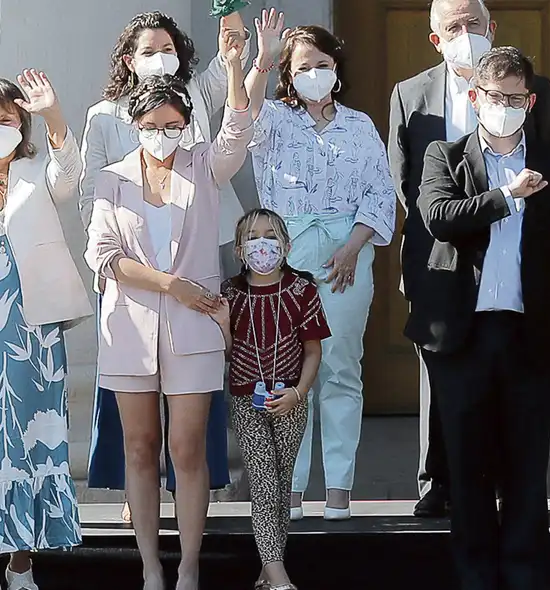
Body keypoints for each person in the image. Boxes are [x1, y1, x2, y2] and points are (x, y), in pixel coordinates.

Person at [416, 46, 550, 590]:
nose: (505, 106)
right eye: (495, 97)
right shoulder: (443, 157)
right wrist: (505, 196)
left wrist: (540, 276)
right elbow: (439, 218)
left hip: (529, 334)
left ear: (530, 100)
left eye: (515, 98)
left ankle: (523, 574)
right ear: (476, 99)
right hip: (462, 339)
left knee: (525, 467)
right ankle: (475, 575)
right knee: (468, 469)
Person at [84, 28, 255, 590]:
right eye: (152, 127)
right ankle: (151, 566)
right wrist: (173, 285)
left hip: (194, 330)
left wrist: (234, 67)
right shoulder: (111, 179)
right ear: (135, 127)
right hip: (130, 329)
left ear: (186, 126)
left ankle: (188, 565)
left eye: (173, 127)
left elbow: (237, 130)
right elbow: (105, 256)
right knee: (139, 447)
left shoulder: (203, 166)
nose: (162, 136)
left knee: (186, 447)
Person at [388, 0, 550, 518]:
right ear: (436, 38)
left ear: (492, 27)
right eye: (453, 27)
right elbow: (405, 179)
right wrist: (449, 229)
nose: (466, 34)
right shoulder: (410, 94)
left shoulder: (534, 90)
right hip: (438, 257)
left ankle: (507, 482)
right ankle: (436, 479)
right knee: (442, 377)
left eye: (474, 24)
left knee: (505, 379)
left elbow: (548, 164)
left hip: (511, 266)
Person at [246, 24, 395, 522]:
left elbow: (379, 194)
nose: (314, 74)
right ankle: (288, 489)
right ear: (289, 75)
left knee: (339, 369)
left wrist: (353, 247)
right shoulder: (273, 119)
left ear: (337, 67)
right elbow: (240, 115)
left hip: (345, 260)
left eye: (322, 64)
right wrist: (262, 60)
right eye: (303, 67)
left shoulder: (359, 126)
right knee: (287, 372)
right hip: (284, 261)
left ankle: (339, 490)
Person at [0, 70, 92, 590]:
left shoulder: (37, 167)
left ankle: (21, 561)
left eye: (8, 119)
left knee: (30, 437)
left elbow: (70, 176)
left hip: (31, 324)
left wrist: (54, 114)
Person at [213, 207, 330, 590]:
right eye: (252, 236)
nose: (261, 244)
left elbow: (313, 350)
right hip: (248, 400)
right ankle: (278, 573)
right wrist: (221, 323)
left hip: (291, 399)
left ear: (285, 243)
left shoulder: (302, 290)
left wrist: (298, 392)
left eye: (269, 235)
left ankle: (267, 569)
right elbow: (231, 351)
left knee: (280, 481)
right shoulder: (232, 292)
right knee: (262, 481)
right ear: (240, 249)